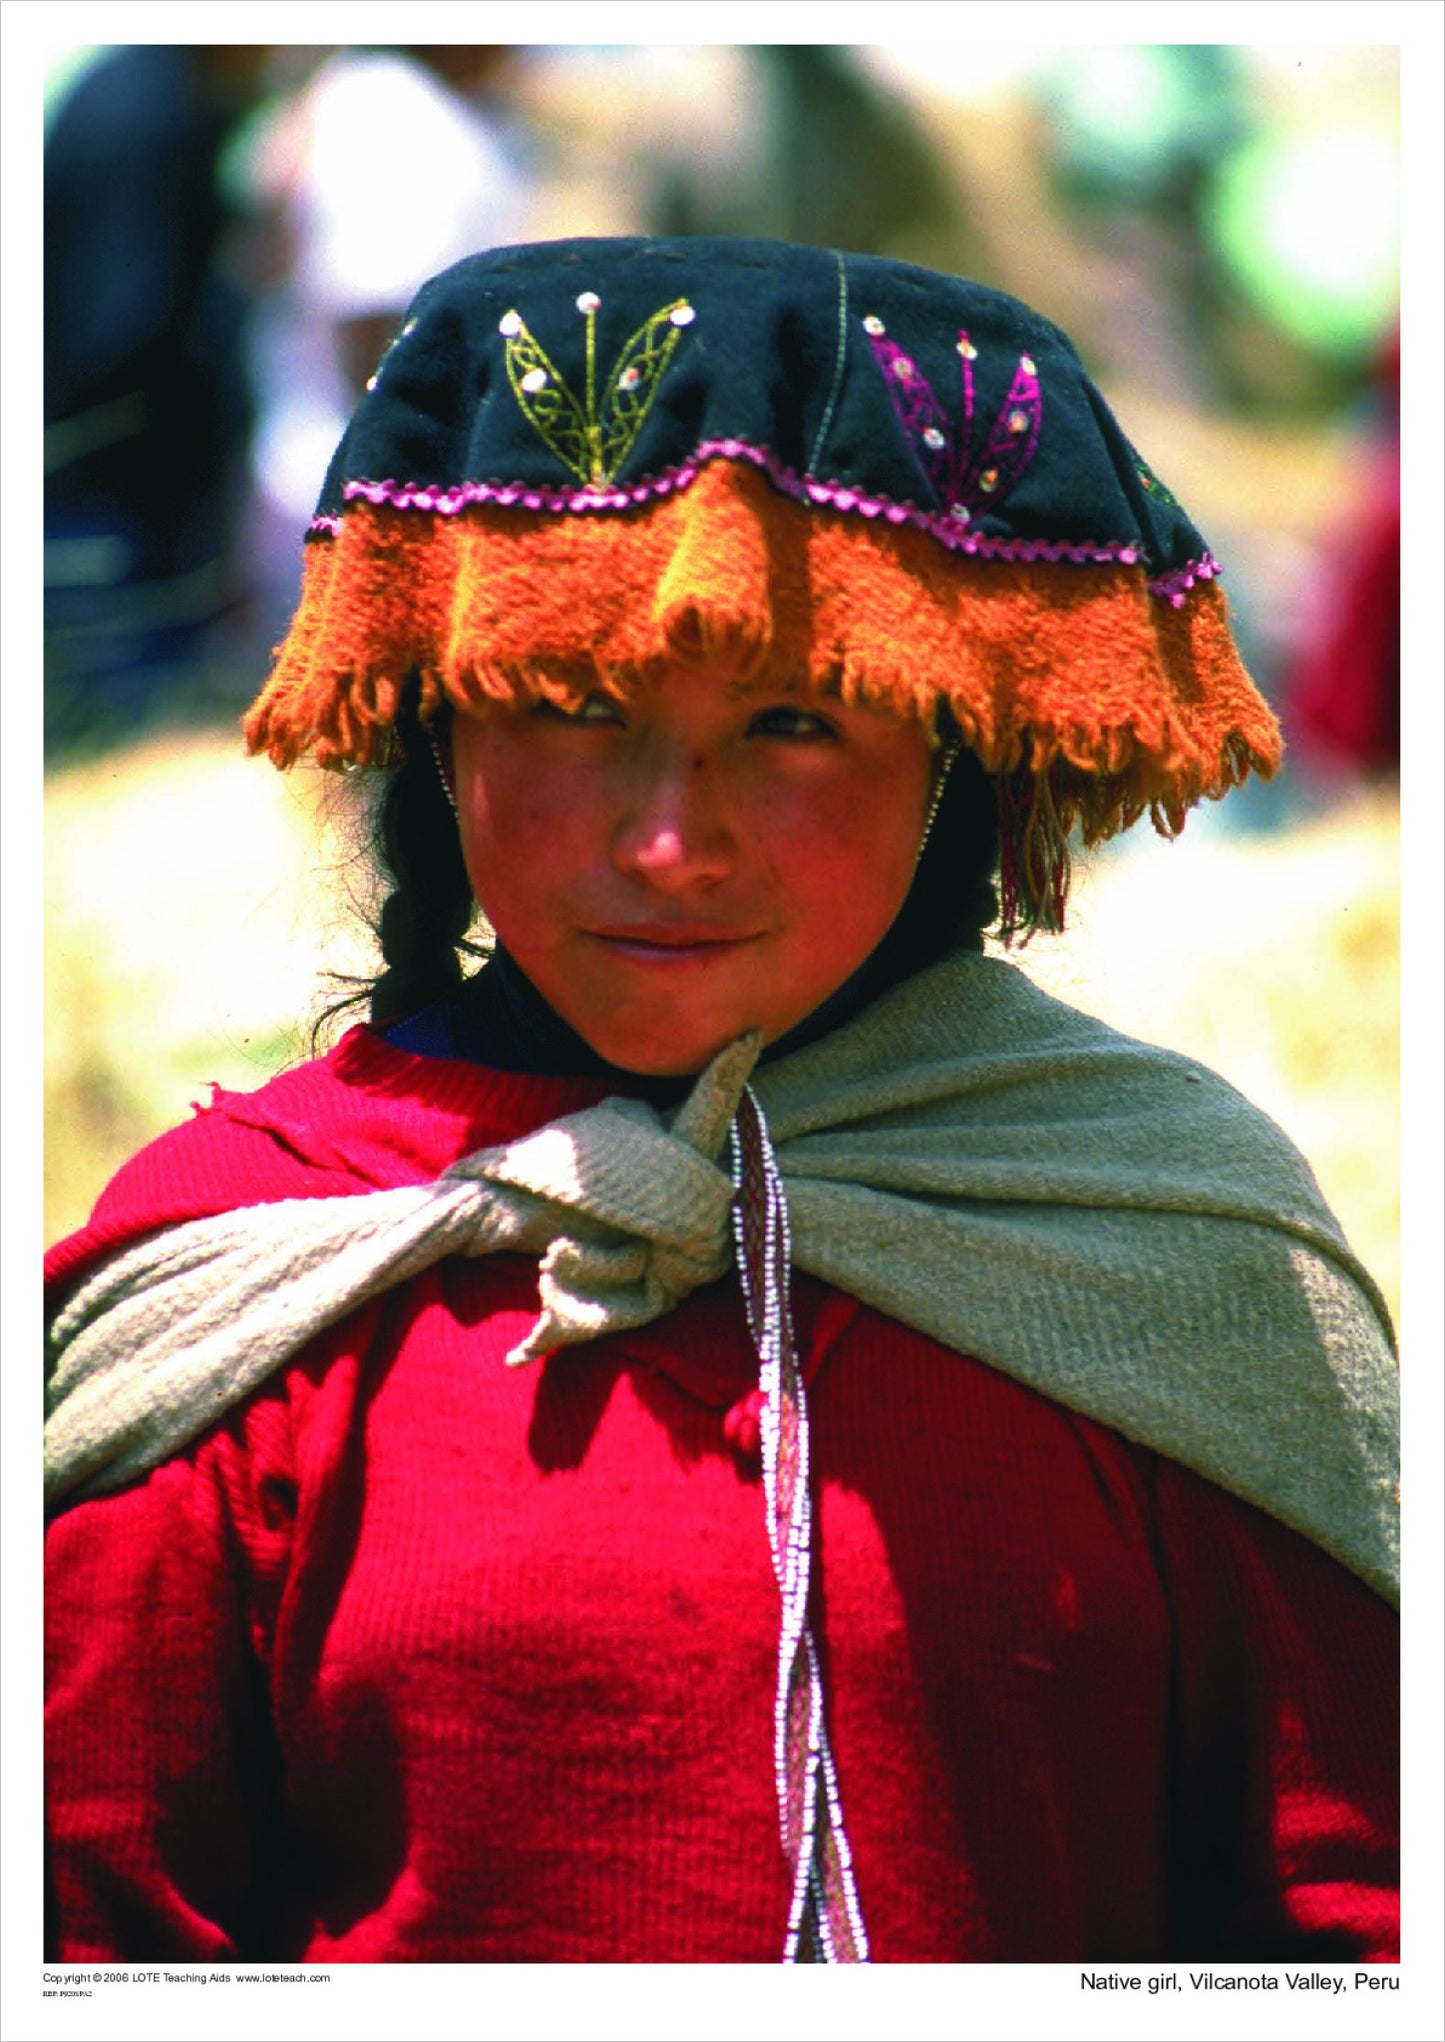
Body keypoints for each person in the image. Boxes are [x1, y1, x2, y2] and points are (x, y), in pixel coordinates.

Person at [44, 237, 1399, 1966]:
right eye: (574, 701)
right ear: (438, 723)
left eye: (790, 721)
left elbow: (1350, 1931)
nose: (667, 840)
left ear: (951, 745)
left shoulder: (1179, 1258)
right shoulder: (244, 1283)